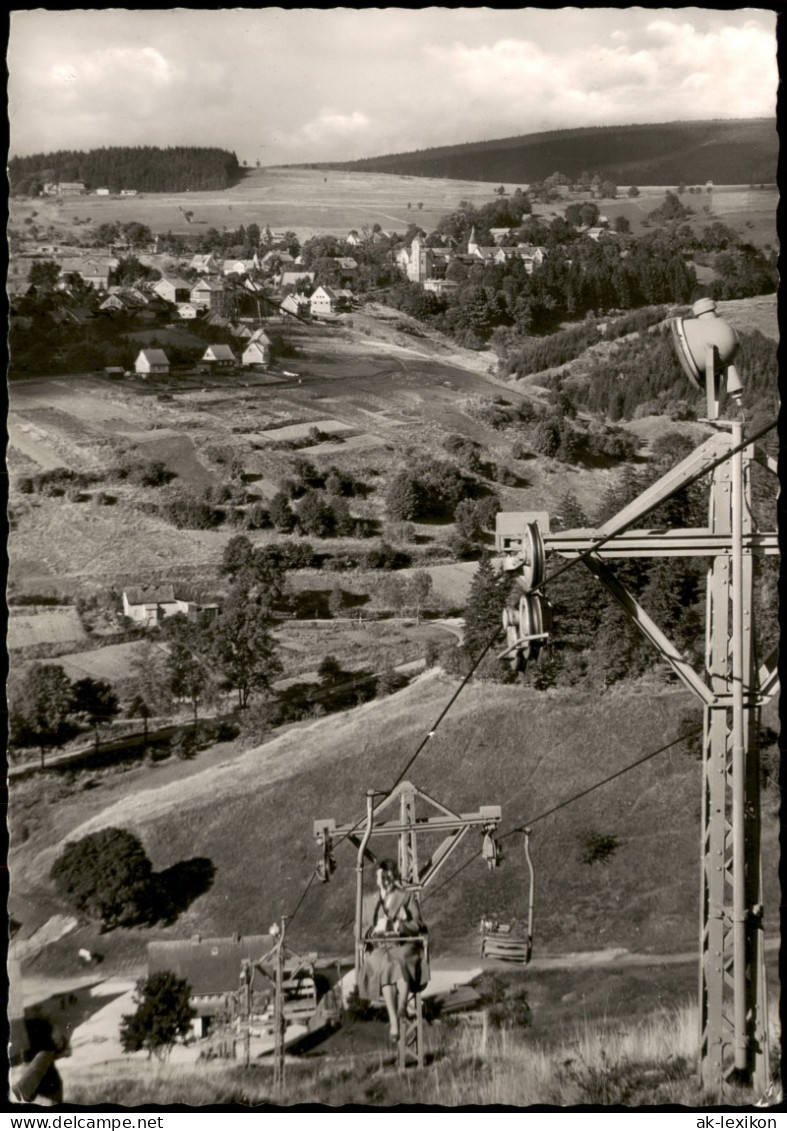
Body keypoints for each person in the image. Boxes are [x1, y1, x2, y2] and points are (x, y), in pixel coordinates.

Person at [358, 859, 429, 1041]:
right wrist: (373, 930)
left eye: (389, 877)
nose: (385, 881)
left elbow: (418, 925)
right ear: (377, 879)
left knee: (395, 962)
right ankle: (397, 1016)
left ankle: (400, 1011)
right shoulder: (368, 902)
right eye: (382, 877)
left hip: (402, 945)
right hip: (380, 947)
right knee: (387, 963)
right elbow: (357, 929)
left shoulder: (406, 898)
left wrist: (399, 925)